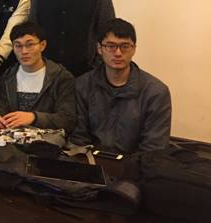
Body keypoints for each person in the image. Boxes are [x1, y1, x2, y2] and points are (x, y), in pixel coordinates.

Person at [71, 18, 172, 154]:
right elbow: (79, 139)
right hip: (91, 162)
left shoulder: (156, 92)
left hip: (138, 165)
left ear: (134, 49)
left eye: (125, 46)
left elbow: (153, 149)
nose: (118, 53)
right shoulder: (82, 85)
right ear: (99, 48)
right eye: (110, 46)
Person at [0, 22, 76, 134]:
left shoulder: (61, 77)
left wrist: (34, 117)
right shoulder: (8, 76)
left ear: (42, 45)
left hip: (47, 140)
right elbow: (3, 105)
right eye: (18, 46)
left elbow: (67, 120)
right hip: (12, 138)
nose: (24, 51)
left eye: (30, 45)